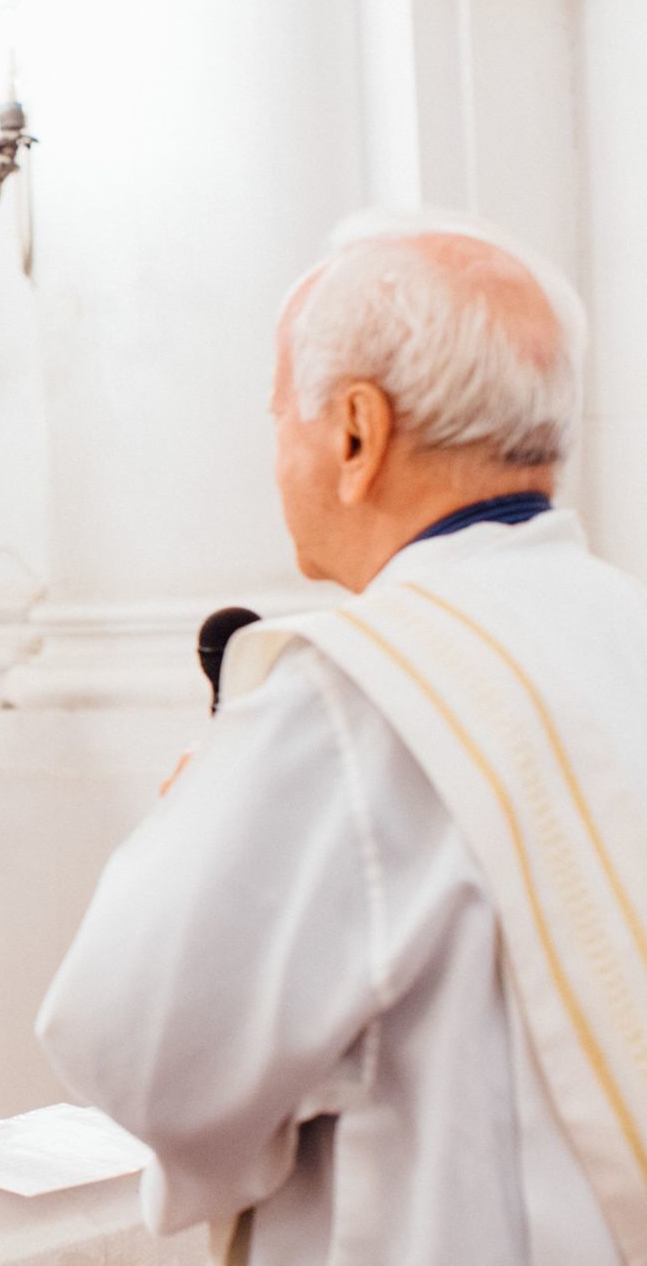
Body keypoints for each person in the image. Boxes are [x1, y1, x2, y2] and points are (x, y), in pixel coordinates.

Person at [36, 213, 644, 1265]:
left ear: (356, 432)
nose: (276, 452)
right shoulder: (620, 628)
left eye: (280, 415)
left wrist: (192, 818)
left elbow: (134, 1044)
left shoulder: (352, 696)